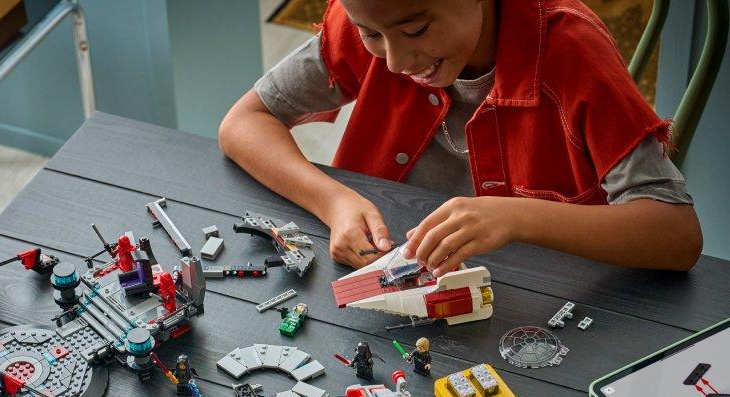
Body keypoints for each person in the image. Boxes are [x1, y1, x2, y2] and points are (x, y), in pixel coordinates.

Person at [220, 0, 702, 273]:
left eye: (417, 29)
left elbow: (676, 235)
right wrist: (334, 203)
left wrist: (516, 218)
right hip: (405, 280)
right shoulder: (377, 14)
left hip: (547, 300)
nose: (395, 62)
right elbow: (243, 123)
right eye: (372, 36)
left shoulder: (572, 51)